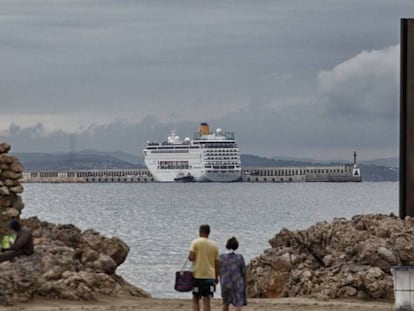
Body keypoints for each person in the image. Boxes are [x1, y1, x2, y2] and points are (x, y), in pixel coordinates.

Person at [188, 224, 219, 311]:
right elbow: (217, 263)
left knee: (196, 298)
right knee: (207, 299)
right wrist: (216, 276)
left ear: (199, 232)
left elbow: (192, 257)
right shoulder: (214, 245)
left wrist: (190, 256)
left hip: (197, 275)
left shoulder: (195, 242)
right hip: (210, 276)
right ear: (209, 232)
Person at [219, 237, 247, 311]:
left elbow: (219, 270)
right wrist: (245, 283)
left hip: (225, 282)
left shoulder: (221, 257)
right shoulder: (239, 257)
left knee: (225, 303)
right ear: (236, 246)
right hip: (237, 282)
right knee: (238, 305)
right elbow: (243, 272)